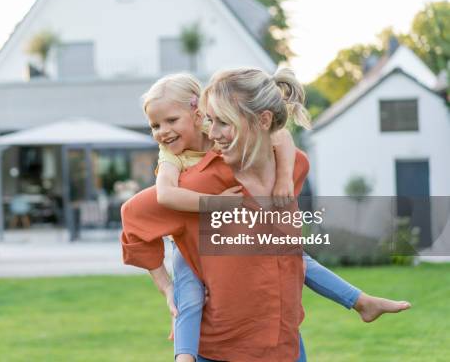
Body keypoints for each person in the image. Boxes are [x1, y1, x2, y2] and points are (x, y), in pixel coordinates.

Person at [122, 68, 410, 362]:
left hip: (286, 347)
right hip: (225, 353)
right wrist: (166, 287)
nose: (216, 133)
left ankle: (361, 302)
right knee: (188, 283)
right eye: (213, 121)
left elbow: (283, 140)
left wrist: (283, 177)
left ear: (263, 121)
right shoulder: (196, 184)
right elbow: (134, 218)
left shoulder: (293, 167)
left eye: (224, 122)